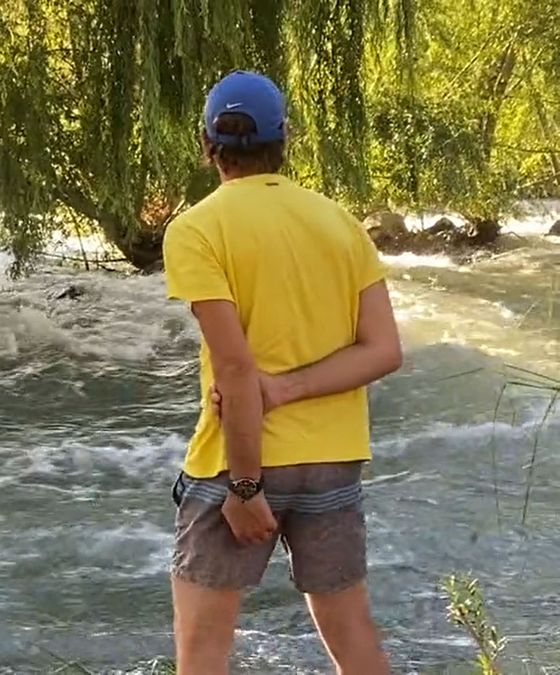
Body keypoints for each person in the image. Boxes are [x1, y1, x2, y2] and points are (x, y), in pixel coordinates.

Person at [161, 70, 403, 675]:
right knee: (353, 640)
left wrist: (245, 487)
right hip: (331, 460)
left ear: (206, 144)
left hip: (237, 463)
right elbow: (383, 350)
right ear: (285, 138)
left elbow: (236, 368)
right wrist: (292, 389)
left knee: (203, 654)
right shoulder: (340, 224)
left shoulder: (196, 230)